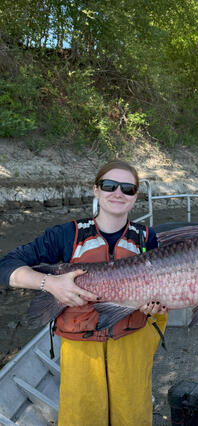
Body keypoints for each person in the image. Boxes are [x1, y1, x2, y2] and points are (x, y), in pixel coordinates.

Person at [0, 159, 167, 426]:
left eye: (128, 189)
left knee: (134, 418)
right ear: (96, 190)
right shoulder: (66, 235)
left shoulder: (149, 238)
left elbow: (161, 293)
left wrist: (157, 305)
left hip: (133, 347)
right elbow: (6, 266)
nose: (118, 193)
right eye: (109, 185)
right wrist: (50, 284)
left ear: (136, 197)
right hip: (80, 352)